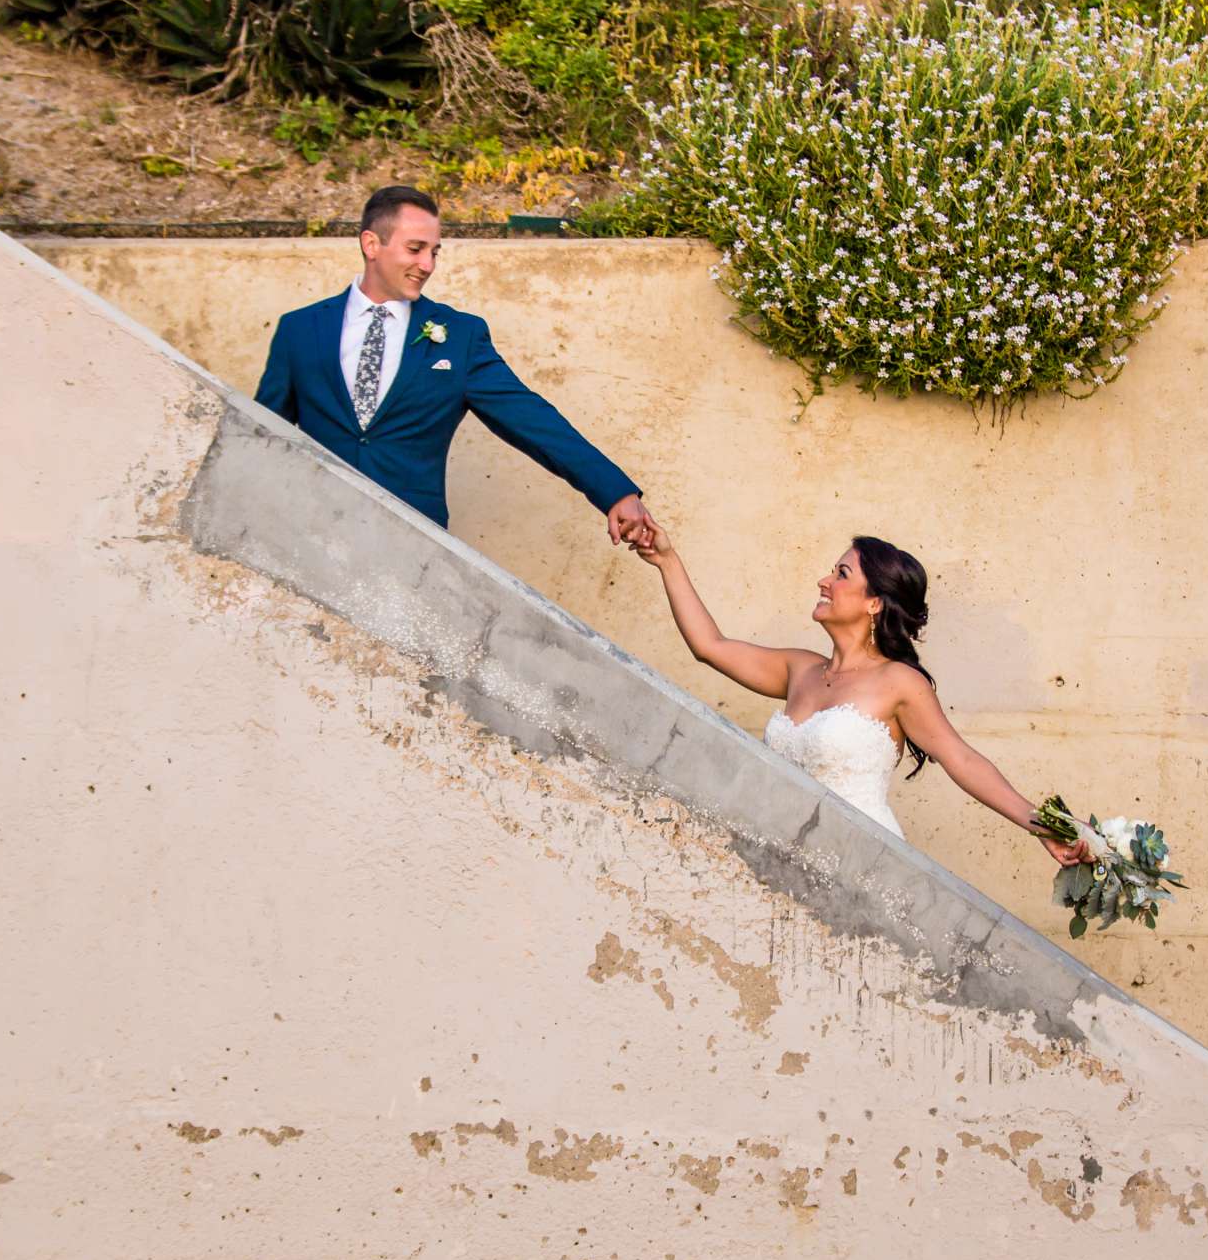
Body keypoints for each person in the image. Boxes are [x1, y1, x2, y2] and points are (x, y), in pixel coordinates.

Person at [636, 527, 1088, 862]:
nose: (824, 581)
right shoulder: (800, 669)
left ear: (874, 602)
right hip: (778, 853)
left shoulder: (899, 683)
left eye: (841, 573)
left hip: (861, 857)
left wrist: (1042, 825)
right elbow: (709, 647)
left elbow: (961, 759)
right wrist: (668, 561)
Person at [255, 185, 658, 542]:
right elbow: (260, 436)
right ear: (371, 244)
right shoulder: (299, 330)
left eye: (434, 252)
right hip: (307, 533)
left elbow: (532, 419)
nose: (428, 265)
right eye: (415, 249)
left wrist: (614, 491)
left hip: (413, 542)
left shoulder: (460, 336)